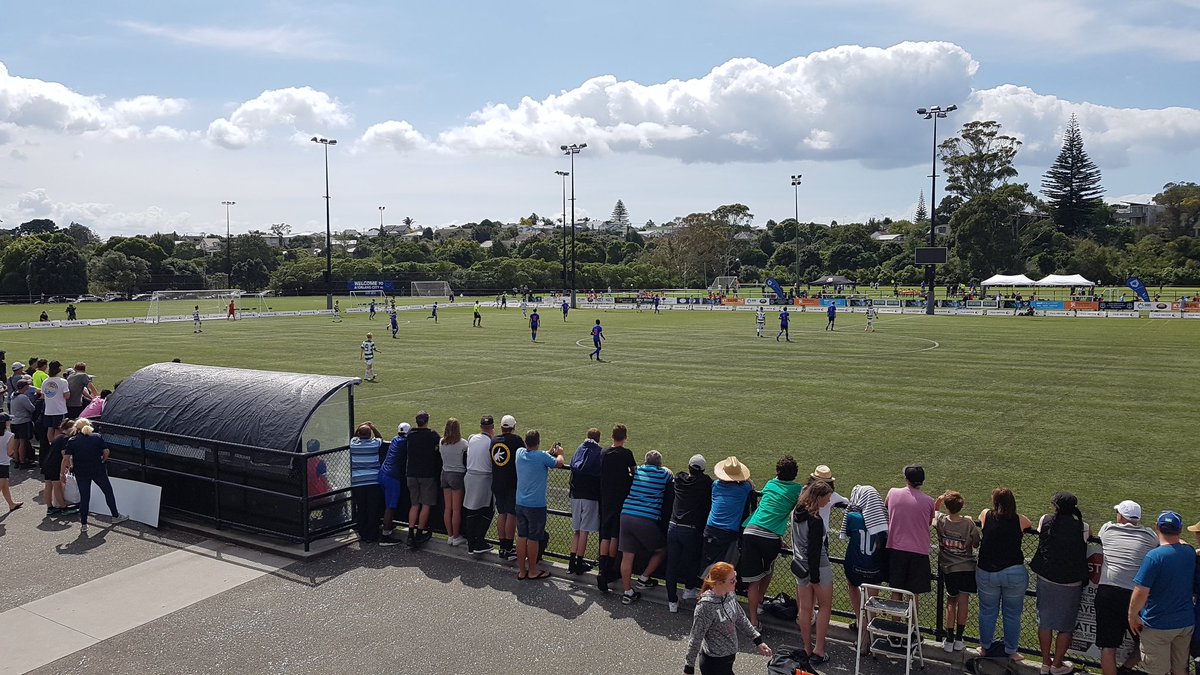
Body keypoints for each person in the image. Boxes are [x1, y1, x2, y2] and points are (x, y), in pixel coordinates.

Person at [1096, 500, 1159, 675]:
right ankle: (1126, 668)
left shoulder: (1108, 529)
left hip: (1108, 593)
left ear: (1121, 516)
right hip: (1136, 595)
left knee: (1108, 646)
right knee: (1147, 641)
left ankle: (1123, 669)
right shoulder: (1149, 536)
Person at [1128, 511, 1196, 675]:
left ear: (1157, 527)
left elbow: (1140, 592)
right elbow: (1182, 545)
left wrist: (1132, 616)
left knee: (1157, 671)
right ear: (1179, 530)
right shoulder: (1189, 552)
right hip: (1185, 623)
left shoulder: (1154, 557)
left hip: (1157, 625)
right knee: (1180, 669)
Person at [1030, 492, 1090, 675]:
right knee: (1066, 625)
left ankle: (1046, 662)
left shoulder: (1045, 520)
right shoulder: (1083, 527)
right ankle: (1056, 664)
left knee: (1045, 622)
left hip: (1047, 578)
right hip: (1071, 581)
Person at [739, 455, 802, 627]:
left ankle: (753, 620)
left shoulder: (770, 484)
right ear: (795, 474)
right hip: (769, 537)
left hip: (750, 532)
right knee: (768, 569)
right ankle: (759, 602)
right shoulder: (797, 490)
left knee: (754, 580)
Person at [682, 562, 772, 675]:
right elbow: (695, 637)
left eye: (735, 576)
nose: (736, 581)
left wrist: (758, 641)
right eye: (732, 580)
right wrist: (688, 667)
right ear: (719, 583)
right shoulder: (705, 607)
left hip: (728, 659)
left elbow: (740, 618)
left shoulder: (729, 594)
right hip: (714, 663)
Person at [976, 487, 1033, 659]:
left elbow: (983, 518)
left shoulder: (986, 514)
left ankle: (984, 647)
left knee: (987, 611)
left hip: (987, 572)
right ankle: (1011, 651)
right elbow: (1029, 524)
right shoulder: (1019, 520)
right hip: (1013, 572)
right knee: (1012, 614)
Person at [618, 450, 674, 605]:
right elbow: (670, 474)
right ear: (659, 464)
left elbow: (633, 469)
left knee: (627, 556)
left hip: (626, 514)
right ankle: (643, 578)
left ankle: (627, 592)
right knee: (662, 549)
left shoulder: (638, 470)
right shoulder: (663, 475)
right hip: (645, 518)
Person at [840, 484, 889, 653]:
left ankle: (862, 626)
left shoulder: (853, 517)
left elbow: (846, 533)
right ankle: (868, 630)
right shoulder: (883, 519)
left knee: (852, 586)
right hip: (875, 568)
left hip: (854, 566)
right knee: (872, 598)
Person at [792, 480, 835, 664]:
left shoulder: (796, 512)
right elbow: (815, 550)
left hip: (800, 566)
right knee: (825, 607)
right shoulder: (815, 519)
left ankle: (807, 647)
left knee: (804, 608)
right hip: (818, 568)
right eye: (826, 498)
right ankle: (819, 649)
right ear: (818, 497)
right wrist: (816, 578)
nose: (828, 501)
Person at [934, 490, 981, 653]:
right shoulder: (968, 523)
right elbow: (976, 544)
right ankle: (960, 639)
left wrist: (939, 500)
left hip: (949, 568)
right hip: (967, 567)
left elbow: (934, 511)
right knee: (963, 602)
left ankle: (949, 638)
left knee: (951, 602)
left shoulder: (941, 521)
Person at [62, 418, 127, 530]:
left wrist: (67, 468)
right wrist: (103, 460)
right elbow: (106, 451)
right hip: (98, 469)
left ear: (76, 428)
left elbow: (66, 458)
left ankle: (84, 524)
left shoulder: (72, 440)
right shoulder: (96, 437)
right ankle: (115, 515)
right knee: (108, 492)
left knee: (85, 497)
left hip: (81, 471)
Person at [514, 430, 562, 580]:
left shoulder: (519, 452)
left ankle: (522, 571)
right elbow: (558, 463)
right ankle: (533, 570)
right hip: (536, 505)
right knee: (533, 539)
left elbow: (538, 454)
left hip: (520, 503)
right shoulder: (541, 457)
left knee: (522, 537)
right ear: (538, 442)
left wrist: (548, 452)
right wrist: (559, 453)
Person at [885, 464, 936, 606]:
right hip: (919, 551)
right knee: (914, 594)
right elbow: (929, 522)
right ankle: (911, 626)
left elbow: (886, 508)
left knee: (896, 591)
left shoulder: (893, 493)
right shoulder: (929, 501)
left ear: (906, 479)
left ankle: (895, 624)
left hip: (896, 549)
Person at [597, 423, 636, 592]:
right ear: (625, 437)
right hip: (621, 498)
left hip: (606, 497)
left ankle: (602, 567)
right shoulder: (626, 454)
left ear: (612, 437)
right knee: (614, 534)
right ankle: (611, 568)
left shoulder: (604, 453)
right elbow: (634, 472)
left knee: (605, 534)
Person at [702, 457, 754, 575]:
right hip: (728, 532)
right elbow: (750, 484)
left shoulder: (716, 485)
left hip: (710, 528)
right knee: (725, 570)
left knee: (709, 568)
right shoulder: (744, 489)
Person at [568, 428, 604, 575]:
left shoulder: (579, 449)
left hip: (576, 494)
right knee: (584, 531)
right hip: (590, 495)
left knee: (577, 530)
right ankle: (579, 562)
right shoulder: (599, 452)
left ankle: (571, 563)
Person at [404, 411, 441, 549]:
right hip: (427, 474)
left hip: (411, 473)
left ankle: (410, 533)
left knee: (414, 504)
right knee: (426, 504)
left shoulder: (411, 435)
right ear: (427, 420)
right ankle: (419, 533)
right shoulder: (432, 435)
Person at [489, 414, 522, 561]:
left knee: (501, 514)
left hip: (497, 481)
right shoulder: (516, 441)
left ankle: (503, 546)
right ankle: (508, 547)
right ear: (513, 427)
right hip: (511, 483)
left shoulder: (494, 441)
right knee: (511, 514)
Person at [462, 415, 496, 555]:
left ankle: (471, 543)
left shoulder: (472, 438)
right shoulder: (491, 442)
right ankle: (479, 541)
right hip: (484, 477)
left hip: (470, 476)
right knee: (488, 510)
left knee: (471, 510)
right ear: (492, 428)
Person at [349, 422, 384, 543]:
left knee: (361, 507)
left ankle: (363, 532)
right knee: (373, 508)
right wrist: (373, 427)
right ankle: (372, 534)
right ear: (370, 435)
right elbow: (380, 438)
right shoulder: (374, 444)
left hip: (358, 482)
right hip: (373, 481)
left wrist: (360, 426)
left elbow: (353, 437)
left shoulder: (353, 444)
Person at [378, 423, 410, 546]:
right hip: (392, 476)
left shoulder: (395, 439)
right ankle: (385, 535)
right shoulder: (405, 442)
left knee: (388, 504)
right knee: (390, 507)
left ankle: (388, 525)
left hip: (383, 472)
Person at [439, 418, 468, 546]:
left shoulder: (442, 442)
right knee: (456, 509)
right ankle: (456, 536)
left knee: (448, 508)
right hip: (457, 475)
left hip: (445, 474)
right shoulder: (463, 443)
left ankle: (450, 535)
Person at [42, 418, 77, 518]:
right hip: (55, 464)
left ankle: (50, 507)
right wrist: (68, 466)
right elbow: (64, 455)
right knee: (56, 485)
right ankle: (63, 507)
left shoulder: (58, 437)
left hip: (47, 462)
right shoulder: (66, 439)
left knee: (48, 485)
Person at [41, 361, 69, 444]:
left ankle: (51, 444)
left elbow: (43, 395)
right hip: (59, 409)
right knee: (58, 429)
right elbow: (67, 395)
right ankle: (55, 446)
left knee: (50, 428)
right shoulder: (63, 381)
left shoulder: (45, 381)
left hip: (49, 409)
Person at [0, 413, 21, 512]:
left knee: (5, 485)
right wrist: (14, 456)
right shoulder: (9, 435)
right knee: (2, 485)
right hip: (3, 464)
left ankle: (11, 504)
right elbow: (9, 452)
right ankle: (11, 504)